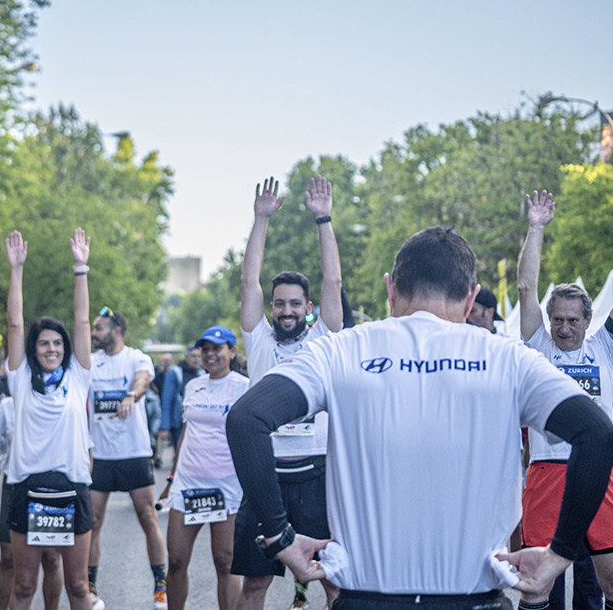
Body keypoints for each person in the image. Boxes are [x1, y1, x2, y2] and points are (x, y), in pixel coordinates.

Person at [226, 225, 613, 610]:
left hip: (367, 596)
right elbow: (595, 433)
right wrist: (559, 553)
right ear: (471, 299)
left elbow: (247, 419)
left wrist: (280, 537)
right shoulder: (508, 358)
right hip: (473, 597)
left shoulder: (339, 351)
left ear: (390, 289)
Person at [236, 175, 343, 609]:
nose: (285, 310)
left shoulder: (323, 337)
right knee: (256, 586)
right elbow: (249, 282)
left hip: (316, 476)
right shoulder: (258, 339)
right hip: (267, 478)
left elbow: (333, 282)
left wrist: (324, 220)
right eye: (279, 303)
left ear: (308, 309)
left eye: (294, 304)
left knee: (334, 581)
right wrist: (260, 220)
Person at [516, 190, 613, 610]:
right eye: (557, 319)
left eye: (573, 320)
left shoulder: (603, 347)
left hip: (600, 470)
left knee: (609, 577)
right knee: (539, 582)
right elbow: (525, 286)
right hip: (548, 470)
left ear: (588, 321)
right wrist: (536, 227)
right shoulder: (539, 345)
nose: (564, 328)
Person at [3, 228, 93, 610]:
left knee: (77, 585)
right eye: (44, 343)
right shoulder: (20, 377)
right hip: (28, 487)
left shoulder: (78, 376)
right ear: (34, 349)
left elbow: (83, 321)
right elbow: (15, 323)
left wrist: (80, 268)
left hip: (73, 487)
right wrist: (16, 270)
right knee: (24, 586)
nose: (52, 348)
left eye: (58, 343)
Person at [159, 326, 248, 610]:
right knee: (175, 562)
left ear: (231, 352)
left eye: (217, 348)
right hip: (188, 485)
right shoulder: (193, 386)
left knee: (225, 563)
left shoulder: (244, 387)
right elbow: (186, 433)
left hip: (226, 487)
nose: (210, 354)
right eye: (205, 349)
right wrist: (172, 478)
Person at [85, 307, 166, 610]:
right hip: (100, 455)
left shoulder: (136, 358)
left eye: (99, 327)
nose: (94, 333)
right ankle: (90, 587)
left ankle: (160, 585)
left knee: (148, 517)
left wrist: (131, 395)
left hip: (134, 451)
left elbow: (143, 380)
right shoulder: (91, 362)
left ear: (116, 330)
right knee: (93, 522)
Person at [0, 397, 63, 610]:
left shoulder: (61, 400)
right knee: (9, 558)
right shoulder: (10, 404)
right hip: (16, 487)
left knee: (50, 558)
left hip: (53, 486)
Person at [155, 354, 183, 467]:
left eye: (168, 360)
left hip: (177, 411)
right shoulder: (163, 375)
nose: (166, 362)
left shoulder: (177, 373)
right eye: (164, 360)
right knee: (163, 434)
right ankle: (159, 457)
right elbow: (166, 397)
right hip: (165, 408)